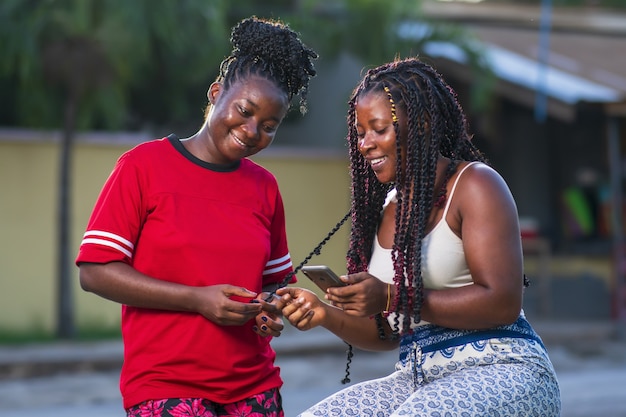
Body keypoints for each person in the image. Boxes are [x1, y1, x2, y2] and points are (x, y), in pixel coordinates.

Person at [277, 57, 561, 416]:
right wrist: (325, 314)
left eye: (378, 129)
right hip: (417, 376)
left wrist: (393, 296)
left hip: (502, 366)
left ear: (422, 124)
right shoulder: (388, 207)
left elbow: (502, 302)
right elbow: (388, 332)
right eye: (360, 133)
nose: (365, 145)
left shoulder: (476, 184)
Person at [75, 16, 317, 416]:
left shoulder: (265, 188)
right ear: (216, 92)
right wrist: (195, 299)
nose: (253, 130)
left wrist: (270, 310)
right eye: (245, 109)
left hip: (255, 390)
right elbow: (95, 271)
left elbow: (274, 285)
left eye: (269, 126)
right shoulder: (143, 166)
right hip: (166, 388)